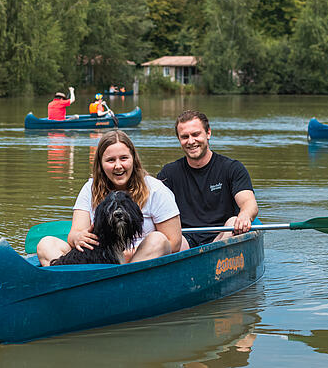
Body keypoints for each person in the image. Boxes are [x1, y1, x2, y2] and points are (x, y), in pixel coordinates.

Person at [36, 130, 184, 266]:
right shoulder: (90, 188)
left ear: (134, 159)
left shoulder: (155, 190)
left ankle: (123, 279)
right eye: (111, 160)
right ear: (101, 164)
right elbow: (75, 233)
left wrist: (127, 254)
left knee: (158, 239)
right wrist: (78, 237)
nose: (118, 166)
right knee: (46, 245)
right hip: (98, 258)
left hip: (140, 260)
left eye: (124, 158)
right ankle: (75, 284)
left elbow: (174, 243)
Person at [156, 110, 257, 248]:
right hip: (185, 240)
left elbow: (249, 203)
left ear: (208, 133)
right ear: (179, 139)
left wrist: (245, 215)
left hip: (223, 236)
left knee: (234, 220)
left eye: (196, 134)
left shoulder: (233, 168)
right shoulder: (168, 173)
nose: (191, 141)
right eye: (185, 137)